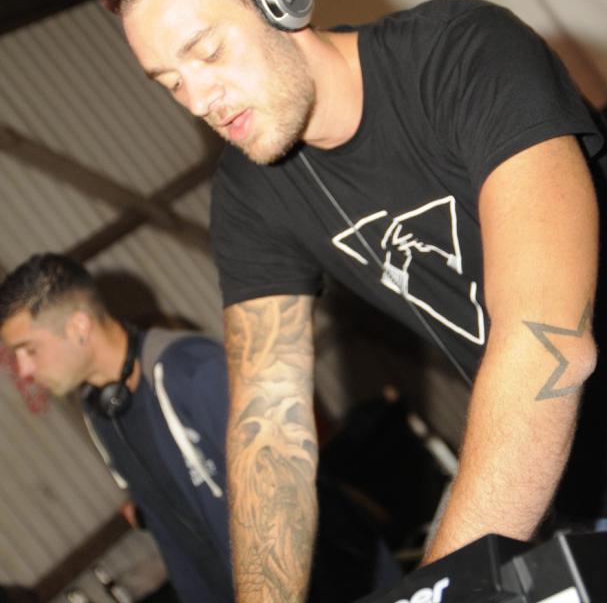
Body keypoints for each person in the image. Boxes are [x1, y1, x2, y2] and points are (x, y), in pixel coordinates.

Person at [100, 0, 607, 601]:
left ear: (278, 1)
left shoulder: (463, 52)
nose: (197, 100)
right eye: (170, 82)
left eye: (208, 52)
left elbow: (546, 340)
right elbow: (269, 432)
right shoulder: (250, 198)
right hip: (583, 507)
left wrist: (439, 593)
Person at [0, 253, 401, 603]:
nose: (25, 371)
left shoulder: (195, 372)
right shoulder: (103, 415)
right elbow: (180, 539)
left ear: (79, 327)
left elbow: (297, 503)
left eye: (28, 350)